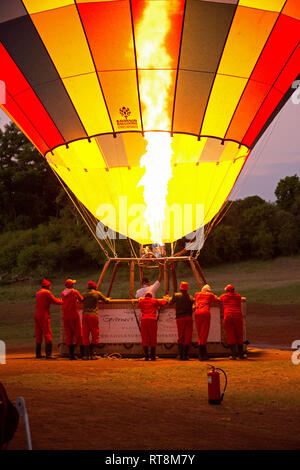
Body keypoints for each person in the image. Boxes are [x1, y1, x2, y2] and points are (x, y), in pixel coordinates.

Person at [34, 279, 62, 359]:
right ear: (48, 286)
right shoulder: (47, 293)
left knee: (38, 334)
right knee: (47, 333)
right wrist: (62, 301)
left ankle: (38, 354)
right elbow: (54, 301)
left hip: (37, 314)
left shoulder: (38, 293)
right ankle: (48, 354)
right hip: (44, 315)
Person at [82, 281, 109, 360]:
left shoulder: (84, 294)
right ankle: (92, 354)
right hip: (93, 315)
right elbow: (106, 301)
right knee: (95, 334)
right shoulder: (97, 293)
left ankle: (86, 355)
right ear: (95, 287)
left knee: (85, 335)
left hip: (85, 315)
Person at [219, 284, 246, 360]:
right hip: (237, 315)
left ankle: (233, 355)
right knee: (239, 335)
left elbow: (218, 299)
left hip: (228, 316)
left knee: (230, 335)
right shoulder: (238, 296)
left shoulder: (223, 296)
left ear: (226, 291)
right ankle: (241, 355)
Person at [137, 292, 167, 361]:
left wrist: (140, 299)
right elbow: (163, 303)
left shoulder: (142, 301)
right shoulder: (154, 300)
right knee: (153, 337)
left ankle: (146, 356)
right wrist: (165, 299)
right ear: (151, 296)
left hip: (144, 320)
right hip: (152, 320)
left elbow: (139, 305)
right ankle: (153, 356)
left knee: (144, 338)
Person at [169, 282, 194, 360]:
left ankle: (180, 355)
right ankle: (185, 355)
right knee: (188, 337)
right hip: (189, 318)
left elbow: (170, 303)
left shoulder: (176, 295)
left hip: (180, 318)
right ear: (187, 289)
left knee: (180, 336)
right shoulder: (190, 297)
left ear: (180, 288)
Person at [61, 279, 84, 360]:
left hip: (65, 316)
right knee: (78, 333)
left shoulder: (62, 293)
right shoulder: (74, 292)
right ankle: (82, 353)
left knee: (69, 334)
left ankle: (71, 355)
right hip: (74, 315)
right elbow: (82, 300)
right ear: (71, 285)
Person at [194, 284, 218, 361]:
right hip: (205, 313)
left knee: (200, 333)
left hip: (197, 313)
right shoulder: (210, 295)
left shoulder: (197, 294)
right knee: (204, 333)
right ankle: (202, 355)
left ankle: (202, 354)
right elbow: (216, 299)